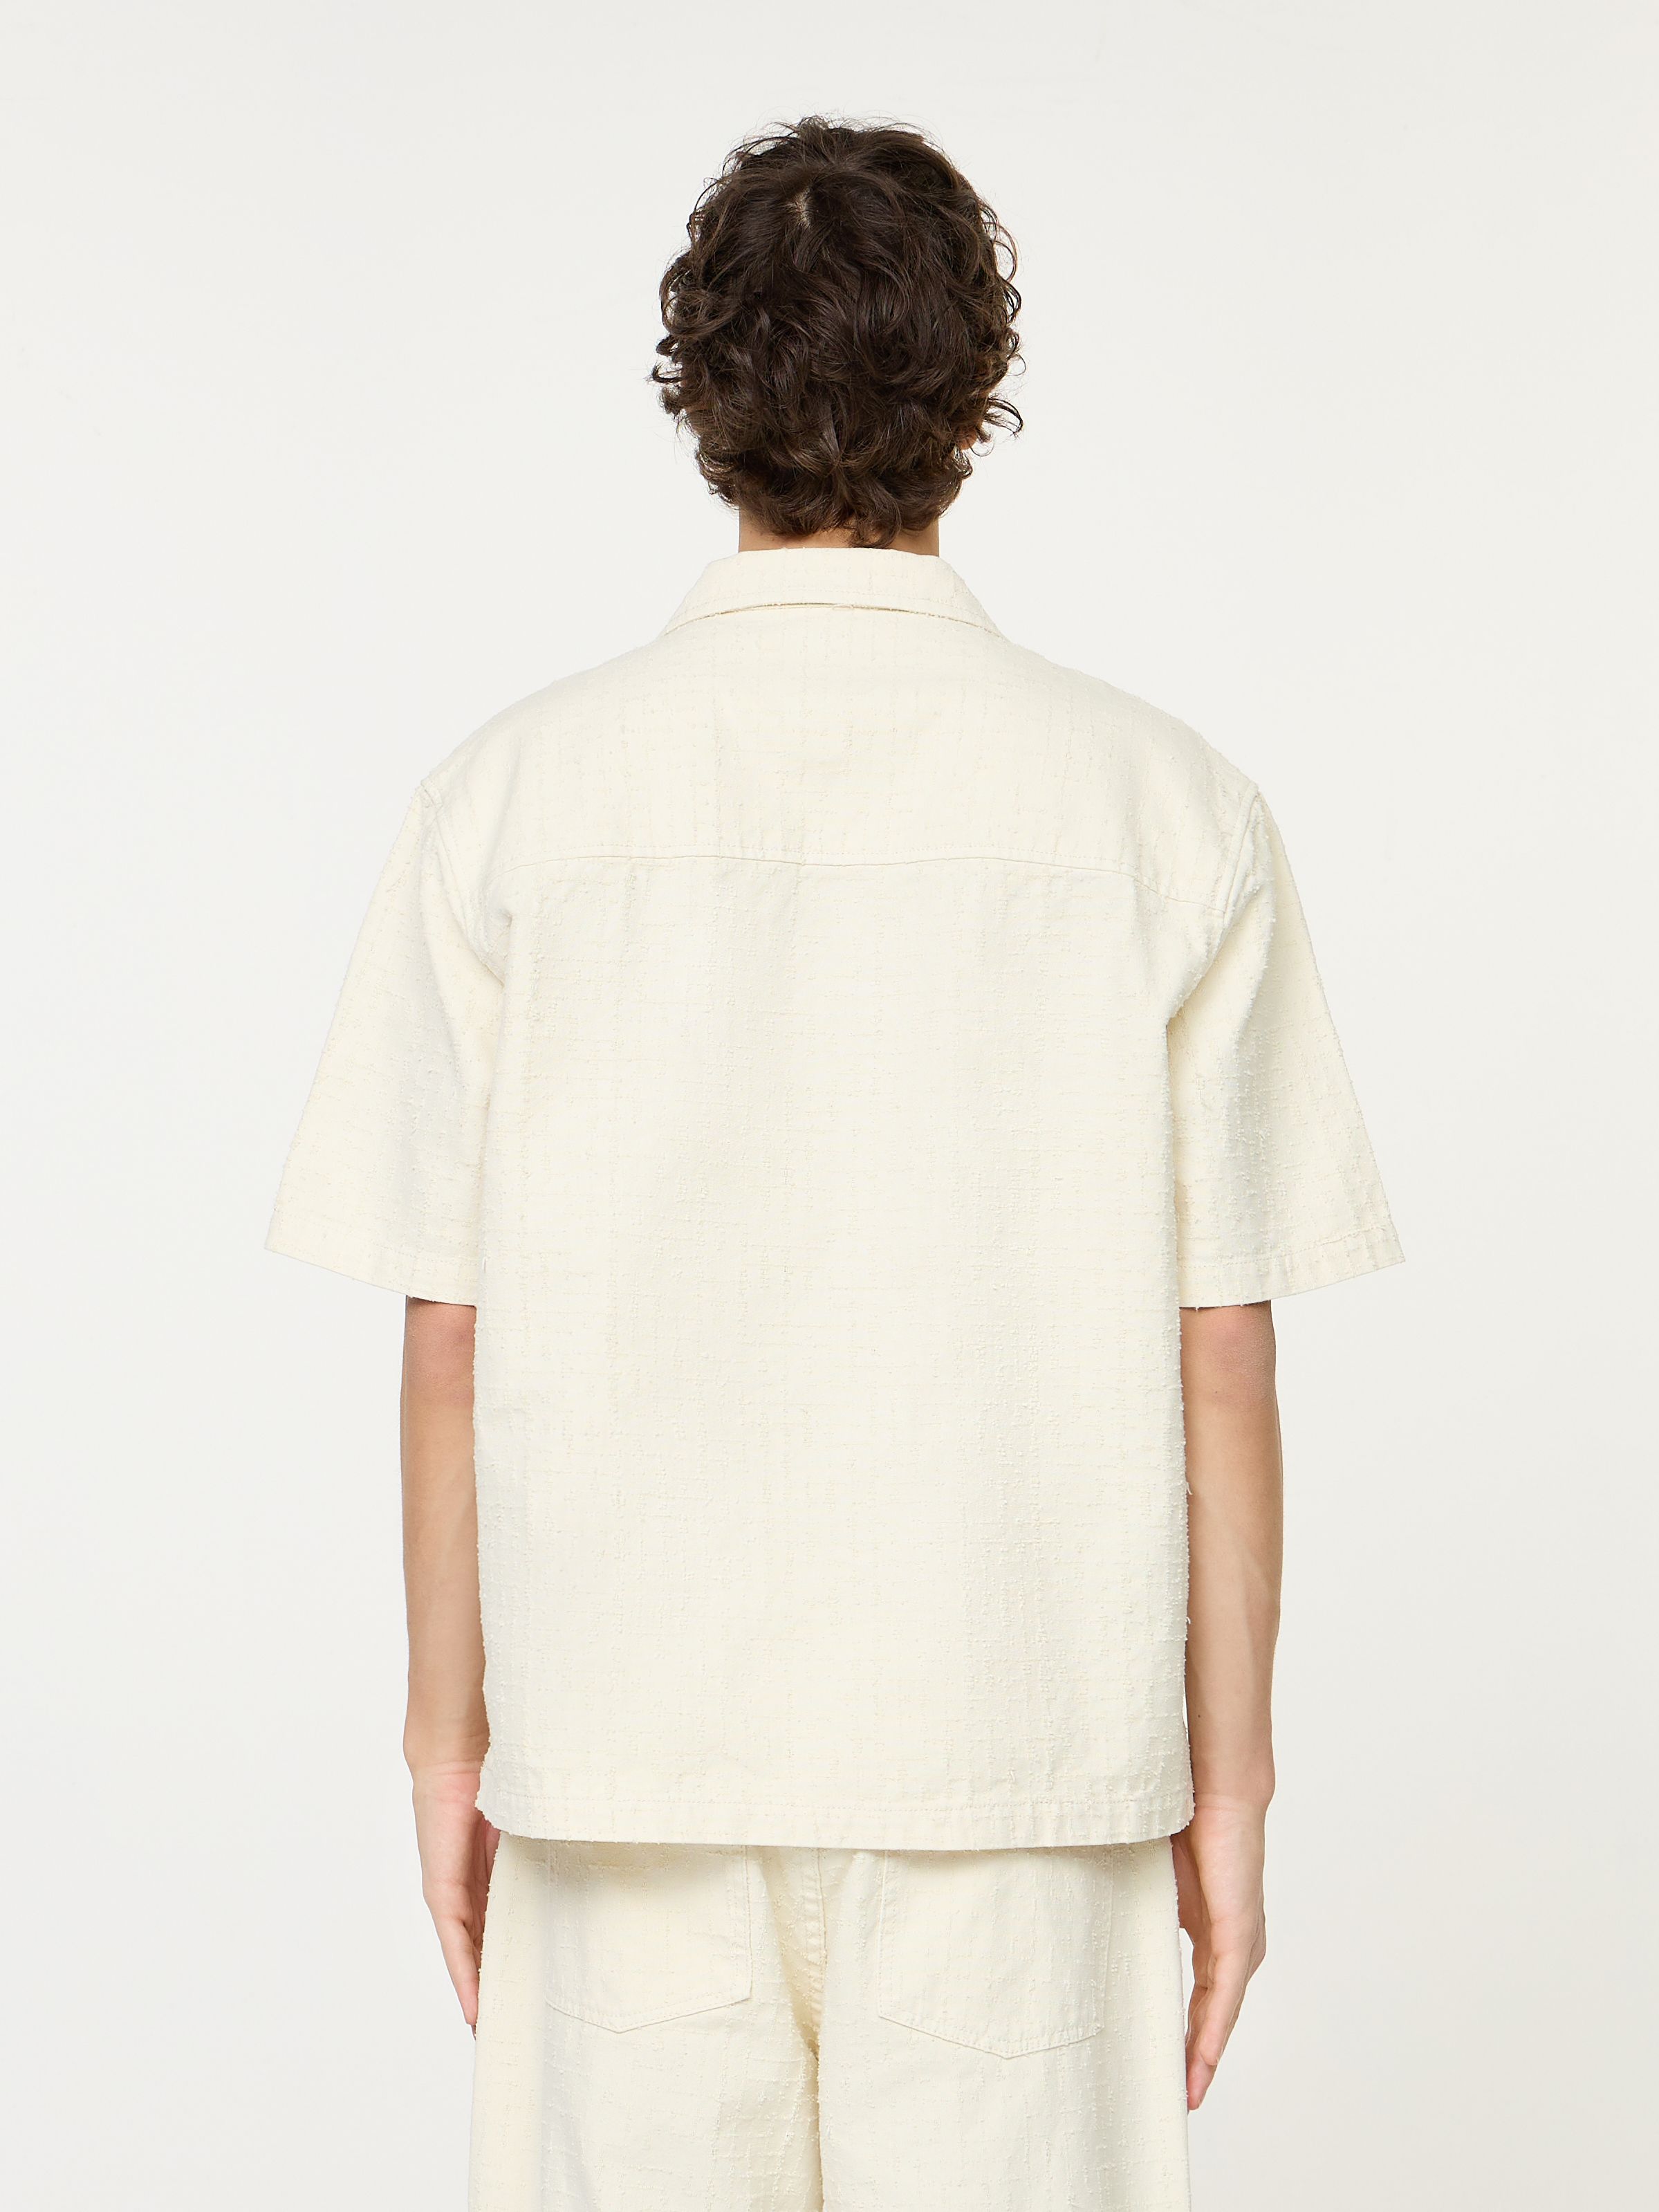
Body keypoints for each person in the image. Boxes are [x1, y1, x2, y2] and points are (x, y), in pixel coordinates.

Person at [269, 117, 1400, 2212]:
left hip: (625, 1757)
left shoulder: (509, 801)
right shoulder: (1167, 807)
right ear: (975, 400)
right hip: (1022, 1753)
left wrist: (449, 1747)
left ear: (703, 402)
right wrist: (1232, 1787)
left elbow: (449, 1335)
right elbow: (1222, 1350)